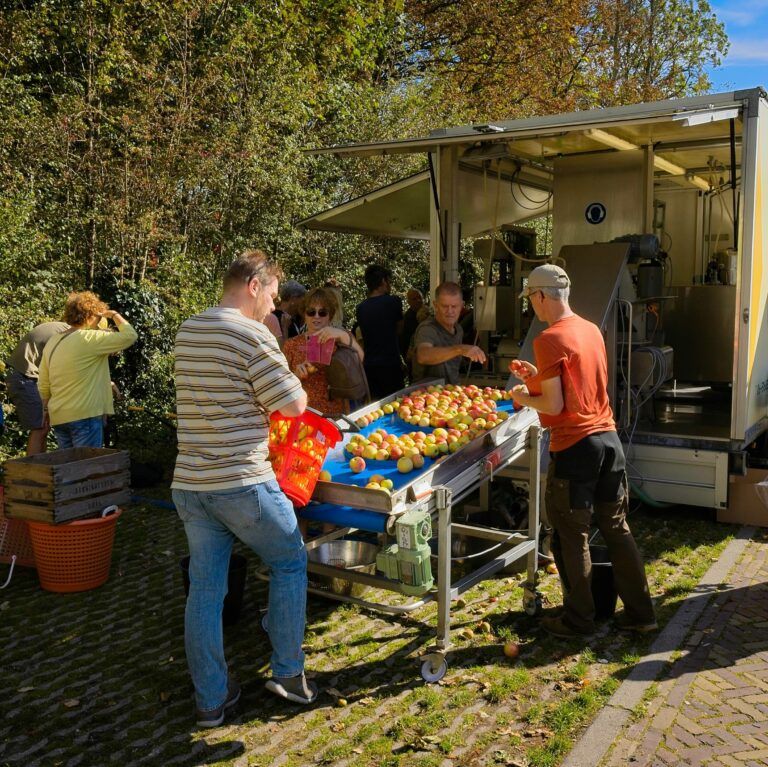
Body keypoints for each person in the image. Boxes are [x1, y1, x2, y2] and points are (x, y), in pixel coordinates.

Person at [172, 249, 316, 729]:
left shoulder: (188, 329)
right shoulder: (252, 334)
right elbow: (294, 406)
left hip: (191, 484)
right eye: (273, 295)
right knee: (290, 560)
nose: (274, 307)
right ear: (255, 285)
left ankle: (210, 700)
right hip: (242, 483)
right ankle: (288, 672)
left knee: (206, 591)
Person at [509, 263, 656, 638]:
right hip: (609, 442)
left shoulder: (548, 338)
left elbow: (556, 407)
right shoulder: (590, 330)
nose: (532, 308)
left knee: (571, 535)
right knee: (617, 529)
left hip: (576, 449)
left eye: (531, 299)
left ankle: (579, 620)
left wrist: (522, 395)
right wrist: (536, 377)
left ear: (541, 296)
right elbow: (578, 386)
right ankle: (641, 613)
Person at [37, 293, 137, 449]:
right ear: (91, 315)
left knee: (68, 468)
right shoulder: (89, 338)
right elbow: (130, 336)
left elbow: (43, 382)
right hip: (84, 415)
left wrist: (45, 409)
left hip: (59, 417)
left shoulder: (53, 340)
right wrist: (114, 315)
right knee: (85, 470)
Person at [284, 287, 364, 415]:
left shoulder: (341, 338)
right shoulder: (291, 344)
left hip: (337, 412)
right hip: (305, 412)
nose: (316, 316)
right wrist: (296, 375)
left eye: (322, 312)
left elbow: (360, 359)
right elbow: (282, 382)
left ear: (330, 316)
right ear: (304, 314)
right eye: (311, 311)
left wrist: (343, 335)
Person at [6, 321, 69, 454]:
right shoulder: (68, 335)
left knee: (43, 428)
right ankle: (33, 472)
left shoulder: (64, 328)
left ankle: (40, 468)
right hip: (24, 377)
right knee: (40, 428)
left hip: (27, 376)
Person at [412, 282, 486, 384]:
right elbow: (423, 356)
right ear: (436, 305)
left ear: (462, 306)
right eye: (445, 306)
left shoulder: (458, 329)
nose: (450, 311)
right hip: (426, 395)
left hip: (451, 393)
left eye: (454, 306)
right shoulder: (428, 328)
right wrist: (460, 349)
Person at [355, 264, 404, 399]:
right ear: (383, 281)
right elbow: (400, 329)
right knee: (396, 403)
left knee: (375, 406)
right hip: (390, 363)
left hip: (369, 364)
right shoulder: (393, 301)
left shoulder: (360, 308)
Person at [269, 280, 306, 344]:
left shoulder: (295, 318)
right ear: (293, 299)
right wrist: (285, 329)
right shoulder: (273, 318)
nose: (303, 305)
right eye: (302, 301)